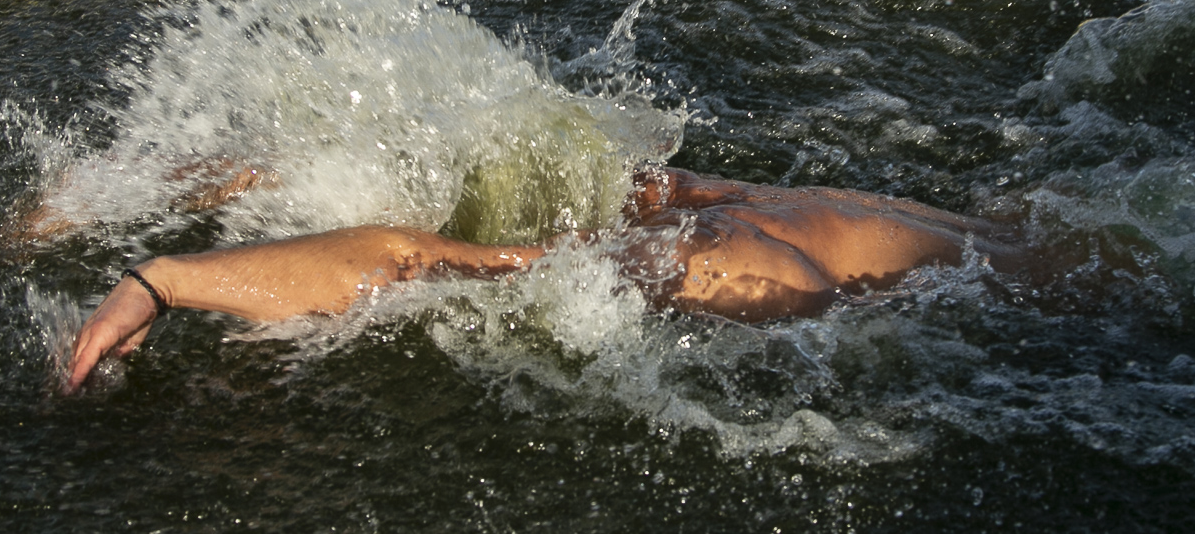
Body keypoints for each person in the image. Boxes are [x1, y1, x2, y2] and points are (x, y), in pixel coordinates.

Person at [61, 161, 1029, 392]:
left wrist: (163, 282)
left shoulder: (683, 244)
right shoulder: (679, 193)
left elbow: (408, 259)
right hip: (1020, 261)